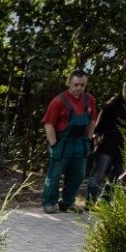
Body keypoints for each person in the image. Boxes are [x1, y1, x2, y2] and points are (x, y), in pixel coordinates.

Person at [41, 70, 97, 213]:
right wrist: (54, 144)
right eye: (76, 84)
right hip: (63, 143)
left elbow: (92, 120)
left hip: (80, 143)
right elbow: (48, 124)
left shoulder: (89, 99)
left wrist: (88, 138)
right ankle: (49, 202)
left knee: (77, 175)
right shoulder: (58, 101)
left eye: (82, 85)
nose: (79, 88)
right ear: (69, 83)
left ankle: (67, 202)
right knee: (55, 175)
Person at [87, 80, 126, 204]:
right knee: (98, 175)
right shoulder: (111, 105)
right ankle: (89, 204)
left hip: (125, 149)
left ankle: (105, 202)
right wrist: (97, 137)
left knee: (118, 177)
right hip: (106, 146)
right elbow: (98, 126)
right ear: (123, 90)